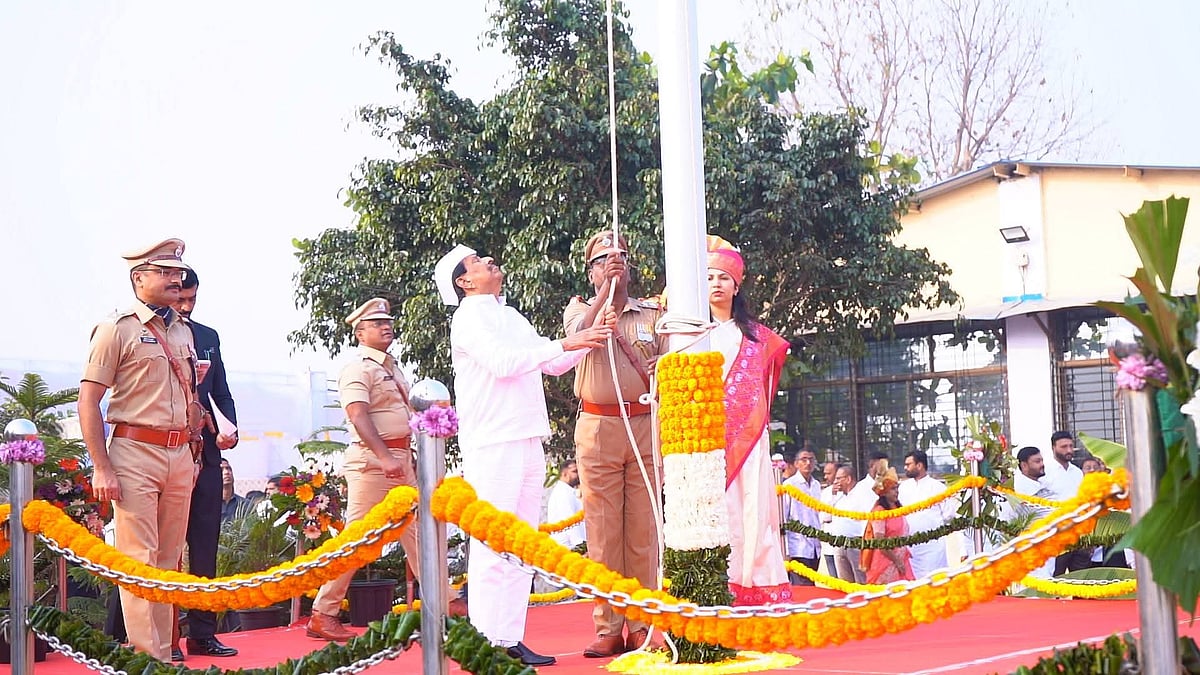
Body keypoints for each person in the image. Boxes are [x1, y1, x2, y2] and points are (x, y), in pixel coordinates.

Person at [435, 243, 613, 667]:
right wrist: (568, 341)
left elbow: (553, 364)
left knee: (522, 543)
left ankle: (509, 637)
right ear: (464, 282)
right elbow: (504, 363)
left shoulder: (510, 315)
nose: (488, 261)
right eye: (476, 261)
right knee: (492, 543)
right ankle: (484, 642)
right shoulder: (468, 317)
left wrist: (589, 336)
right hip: (493, 441)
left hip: (527, 435)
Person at [306, 298, 466, 642]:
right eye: (377, 323)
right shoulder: (358, 368)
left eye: (388, 322)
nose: (386, 327)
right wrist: (384, 456)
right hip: (373, 462)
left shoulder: (392, 367)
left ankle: (446, 601)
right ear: (360, 333)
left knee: (421, 531)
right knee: (358, 537)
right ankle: (323, 612)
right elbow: (357, 414)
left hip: (400, 458)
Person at [79, 238, 198, 661]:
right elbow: (88, 400)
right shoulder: (117, 328)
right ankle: (151, 660)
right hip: (134, 451)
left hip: (179, 453)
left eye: (177, 272)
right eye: (164, 271)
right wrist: (102, 467)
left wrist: (192, 452)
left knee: (169, 560)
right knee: (139, 560)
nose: (175, 278)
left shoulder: (183, 329)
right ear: (138, 278)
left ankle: (164, 654)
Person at [562, 230, 667, 657]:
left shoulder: (653, 314)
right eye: (602, 260)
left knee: (643, 531)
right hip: (599, 426)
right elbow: (578, 337)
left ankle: (641, 625)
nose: (612, 263)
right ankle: (608, 625)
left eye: (619, 257)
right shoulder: (579, 309)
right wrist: (605, 294)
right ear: (590, 272)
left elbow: (672, 357)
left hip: (643, 423)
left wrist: (663, 364)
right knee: (603, 533)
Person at [706, 240, 792, 604]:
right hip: (708, 438)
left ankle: (756, 582)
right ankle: (718, 581)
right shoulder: (691, 332)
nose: (716, 284)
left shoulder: (756, 336)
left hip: (750, 439)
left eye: (723, 278)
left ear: (736, 286)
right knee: (720, 509)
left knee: (753, 508)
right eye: (709, 277)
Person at [171, 269, 239, 658]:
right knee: (159, 550)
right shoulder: (147, 335)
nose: (185, 307)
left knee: (204, 547)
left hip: (207, 456)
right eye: (179, 299)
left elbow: (221, 392)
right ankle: (156, 636)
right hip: (166, 454)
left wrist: (230, 428)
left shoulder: (208, 337)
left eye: (191, 300)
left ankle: (202, 633)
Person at [898, 450, 955, 580]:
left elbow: (949, 514)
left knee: (935, 581)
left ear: (919, 465)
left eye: (908, 464)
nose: (905, 468)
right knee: (913, 583)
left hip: (933, 546)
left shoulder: (937, 487)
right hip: (910, 545)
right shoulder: (903, 488)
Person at [1042, 431, 1091, 575]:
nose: (1069, 450)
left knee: (1081, 579)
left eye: (1071, 446)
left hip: (1078, 534)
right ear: (1053, 448)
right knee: (1056, 577)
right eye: (1064, 447)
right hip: (1056, 535)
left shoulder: (1077, 472)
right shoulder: (1045, 472)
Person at [861, 462, 915, 584]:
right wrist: (896, 560)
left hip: (901, 560)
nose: (897, 492)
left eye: (897, 488)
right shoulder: (879, 511)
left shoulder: (897, 508)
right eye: (893, 489)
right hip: (885, 562)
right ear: (884, 492)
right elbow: (880, 542)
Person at [1014, 446, 1056, 579]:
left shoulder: (1044, 485)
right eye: (1037, 461)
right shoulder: (1018, 491)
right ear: (1024, 465)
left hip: (1048, 549)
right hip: (1030, 551)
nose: (1042, 464)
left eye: (1042, 460)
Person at [781, 447, 822, 585]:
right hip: (797, 546)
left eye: (811, 459)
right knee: (802, 586)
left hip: (815, 546)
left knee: (812, 584)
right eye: (804, 460)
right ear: (796, 463)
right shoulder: (789, 485)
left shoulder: (816, 485)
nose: (808, 463)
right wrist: (786, 550)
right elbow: (783, 517)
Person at [826, 464, 861, 582]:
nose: (835, 482)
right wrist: (834, 496)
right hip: (839, 543)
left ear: (848, 479)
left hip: (855, 543)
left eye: (838, 478)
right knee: (844, 582)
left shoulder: (860, 494)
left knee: (860, 580)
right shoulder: (838, 497)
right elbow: (826, 517)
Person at [545, 458, 586, 550]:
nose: (578, 475)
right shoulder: (563, 493)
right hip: (569, 546)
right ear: (564, 474)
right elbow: (569, 520)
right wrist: (580, 545)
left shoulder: (568, 492)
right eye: (575, 471)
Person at [218, 459, 248, 523]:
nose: (226, 472)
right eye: (221, 470)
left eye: (228, 468)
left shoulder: (245, 504)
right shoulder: (209, 505)